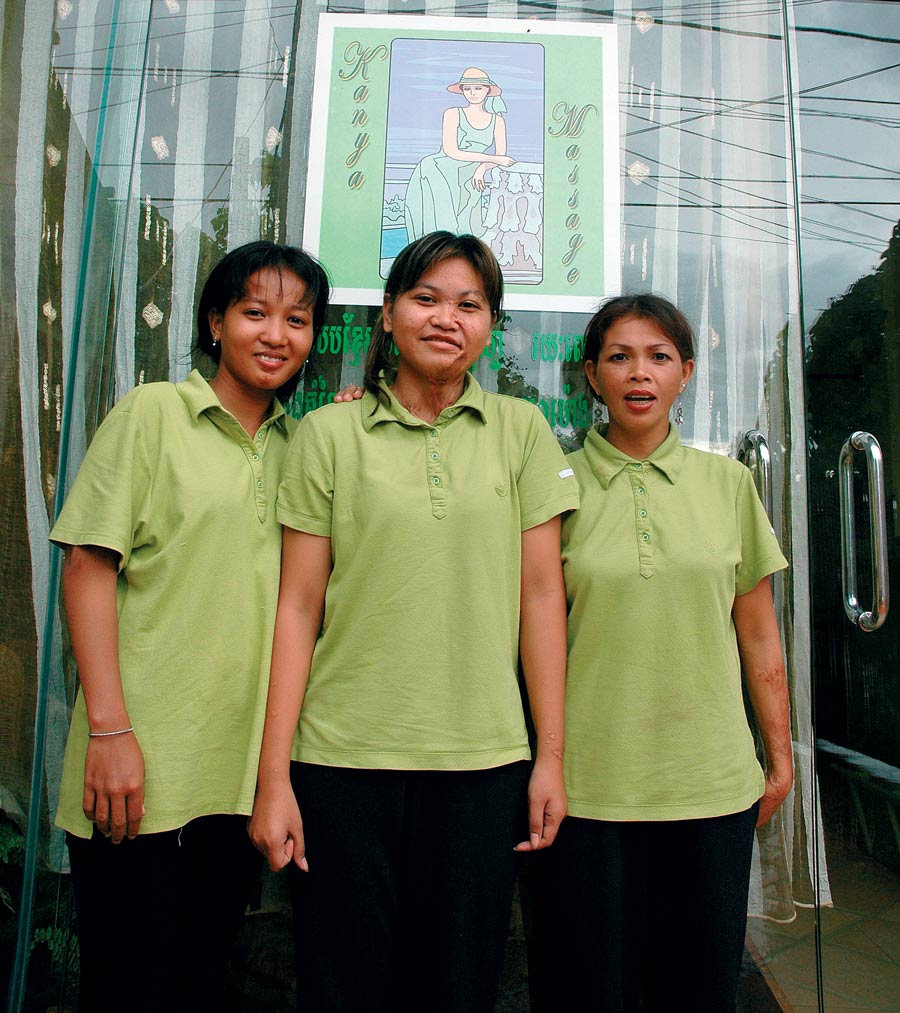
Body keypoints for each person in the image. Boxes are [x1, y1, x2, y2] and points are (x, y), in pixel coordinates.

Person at [249, 231, 579, 1013]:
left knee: (457, 987)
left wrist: (550, 757)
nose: (445, 318)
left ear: (491, 326)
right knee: (344, 984)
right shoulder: (331, 433)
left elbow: (542, 597)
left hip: (482, 761)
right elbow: (297, 607)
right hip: (341, 761)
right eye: (426, 298)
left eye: (468, 304)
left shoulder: (521, 431)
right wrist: (273, 778)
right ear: (388, 315)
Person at [50, 241, 330, 1013]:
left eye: (297, 319)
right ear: (215, 321)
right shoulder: (153, 413)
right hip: (135, 769)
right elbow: (87, 567)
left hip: (235, 783)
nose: (276, 334)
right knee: (125, 985)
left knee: (200, 980)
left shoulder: (304, 447)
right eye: (255, 312)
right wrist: (109, 731)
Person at [527, 294, 794, 1013]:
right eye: (618, 356)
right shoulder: (552, 486)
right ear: (591, 375)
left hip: (709, 785)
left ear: (687, 373)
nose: (638, 373)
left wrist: (780, 751)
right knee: (585, 989)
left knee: (698, 989)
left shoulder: (728, 484)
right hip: (585, 791)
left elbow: (759, 631)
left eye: (658, 356)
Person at [404, 67, 515, 243]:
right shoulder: (453, 113)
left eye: (478, 88)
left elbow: (501, 156)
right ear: (462, 91)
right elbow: (451, 151)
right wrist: (491, 159)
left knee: (469, 220)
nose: (473, 93)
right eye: (468, 88)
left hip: (472, 168)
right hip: (441, 166)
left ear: (487, 90)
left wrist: (482, 168)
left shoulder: (497, 120)